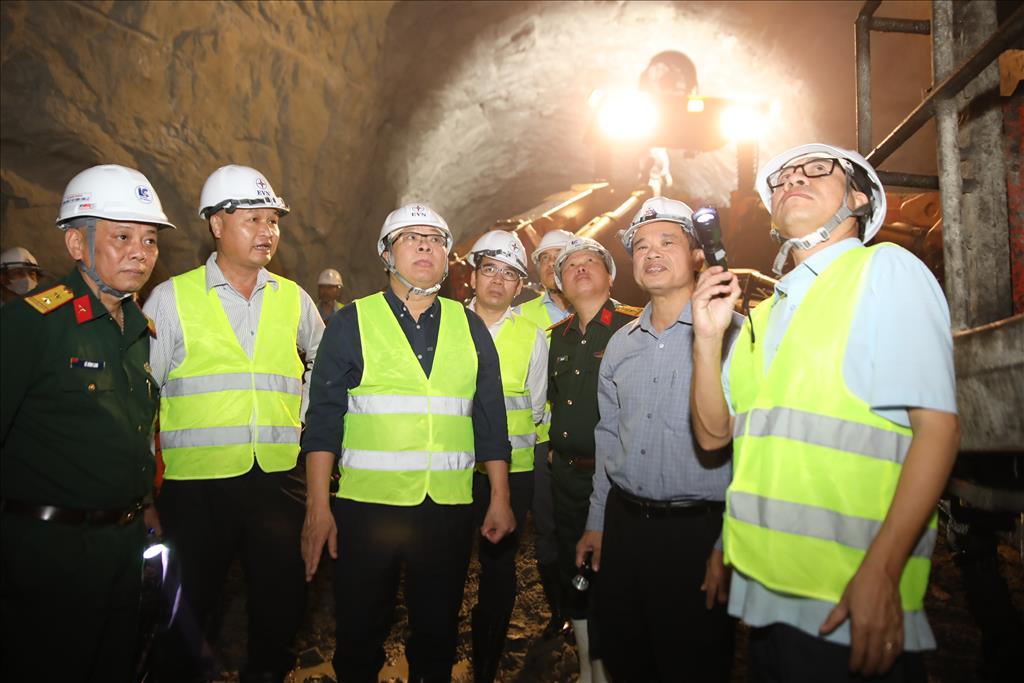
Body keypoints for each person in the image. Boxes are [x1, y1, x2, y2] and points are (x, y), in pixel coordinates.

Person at [690, 143, 960, 682]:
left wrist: (882, 572)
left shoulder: (885, 270)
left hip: (849, 600)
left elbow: (938, 429)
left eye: (817, 170)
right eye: (783, 177)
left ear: (859, 199)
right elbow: (716, 436)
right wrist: (706, 340)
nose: (794, 179)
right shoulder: (764, 314)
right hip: (765, 601)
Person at [300, 203, 516, 683]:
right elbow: (324, 420)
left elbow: (490, 418)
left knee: (437, 636)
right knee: (359, 634)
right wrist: (318, 507)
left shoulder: (470, 326)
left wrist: (500, 498)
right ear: (386, 254)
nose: (425, 246)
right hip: (367, 509)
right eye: (410, 238)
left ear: (446, 259)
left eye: (435, 240)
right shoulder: (352, 322)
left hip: (447, 510)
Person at [145, 164, 324, 683]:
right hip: (196, 487)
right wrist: (144, 488)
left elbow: (326, 364)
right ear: (216, 224)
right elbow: (142, 394)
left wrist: (304, 418)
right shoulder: (171, 299)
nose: (267, 231)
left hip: (277, 480)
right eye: (253, 219)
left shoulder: (294, 299)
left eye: (273, 221)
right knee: (186, 613)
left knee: (280, 607)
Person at [1, 164, 174, 682]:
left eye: (149, 239)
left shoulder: (137, 330)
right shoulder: (31, 324)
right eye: (122, 236)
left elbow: (131, 431)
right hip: (48, 554)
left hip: (122, 548)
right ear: (77, 243)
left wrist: (144, 504)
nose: (140, 252)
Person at [575, 197, 740, 682]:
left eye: (668, 242)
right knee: (628, 660)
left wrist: (730, 543)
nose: (652, 253)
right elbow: (608, 435)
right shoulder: (621, 344)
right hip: (625, 528)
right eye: (641, 246)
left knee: (694, 664)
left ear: (697, 255)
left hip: (698, 533)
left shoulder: (734, 336)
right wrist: (597, 521)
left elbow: (756, 451)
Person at [548, 235, 640, 683]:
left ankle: (615, 667)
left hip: (616, 482)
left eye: (590, 261)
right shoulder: (556, 338)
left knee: (615, 577)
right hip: (566, 477)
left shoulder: (634, 328)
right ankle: (589, 669)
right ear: (561, 284)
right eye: (570, 265)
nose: (580, 267)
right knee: (574, 571)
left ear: (610, 276)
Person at [464, 230, 548, 682]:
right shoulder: (446, 325)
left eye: (509, 274)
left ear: (519, 286)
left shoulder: (533, 338)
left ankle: (486, 664)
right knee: (445, 563)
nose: (497, 280)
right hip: (454, 468)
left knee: (498, 570)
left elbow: (534, 407)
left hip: (513, 472)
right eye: (489, 269)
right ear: (472, 276)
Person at [515, 227, 573, 636]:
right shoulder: (522, 317)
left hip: (590, 442)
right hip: (540, 440)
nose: (552, 264)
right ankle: (561, 609)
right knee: (549, 527)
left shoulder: (605, 311)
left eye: (560, 256)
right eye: (545, 258)